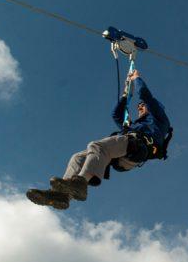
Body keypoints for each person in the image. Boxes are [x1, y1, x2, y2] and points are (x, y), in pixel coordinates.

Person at [27, 70, 171, 208]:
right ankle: (61, 195)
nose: (139, 107)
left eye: (143, 106)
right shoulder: (132, 126)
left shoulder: (160, 120)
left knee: (96, 146)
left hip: (136, 147)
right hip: (124, 153)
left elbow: (146, 96)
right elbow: (116, 115)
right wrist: (125, 97)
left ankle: (81, 182)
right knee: (78, 157)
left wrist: (136, 79)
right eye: (139, 106)